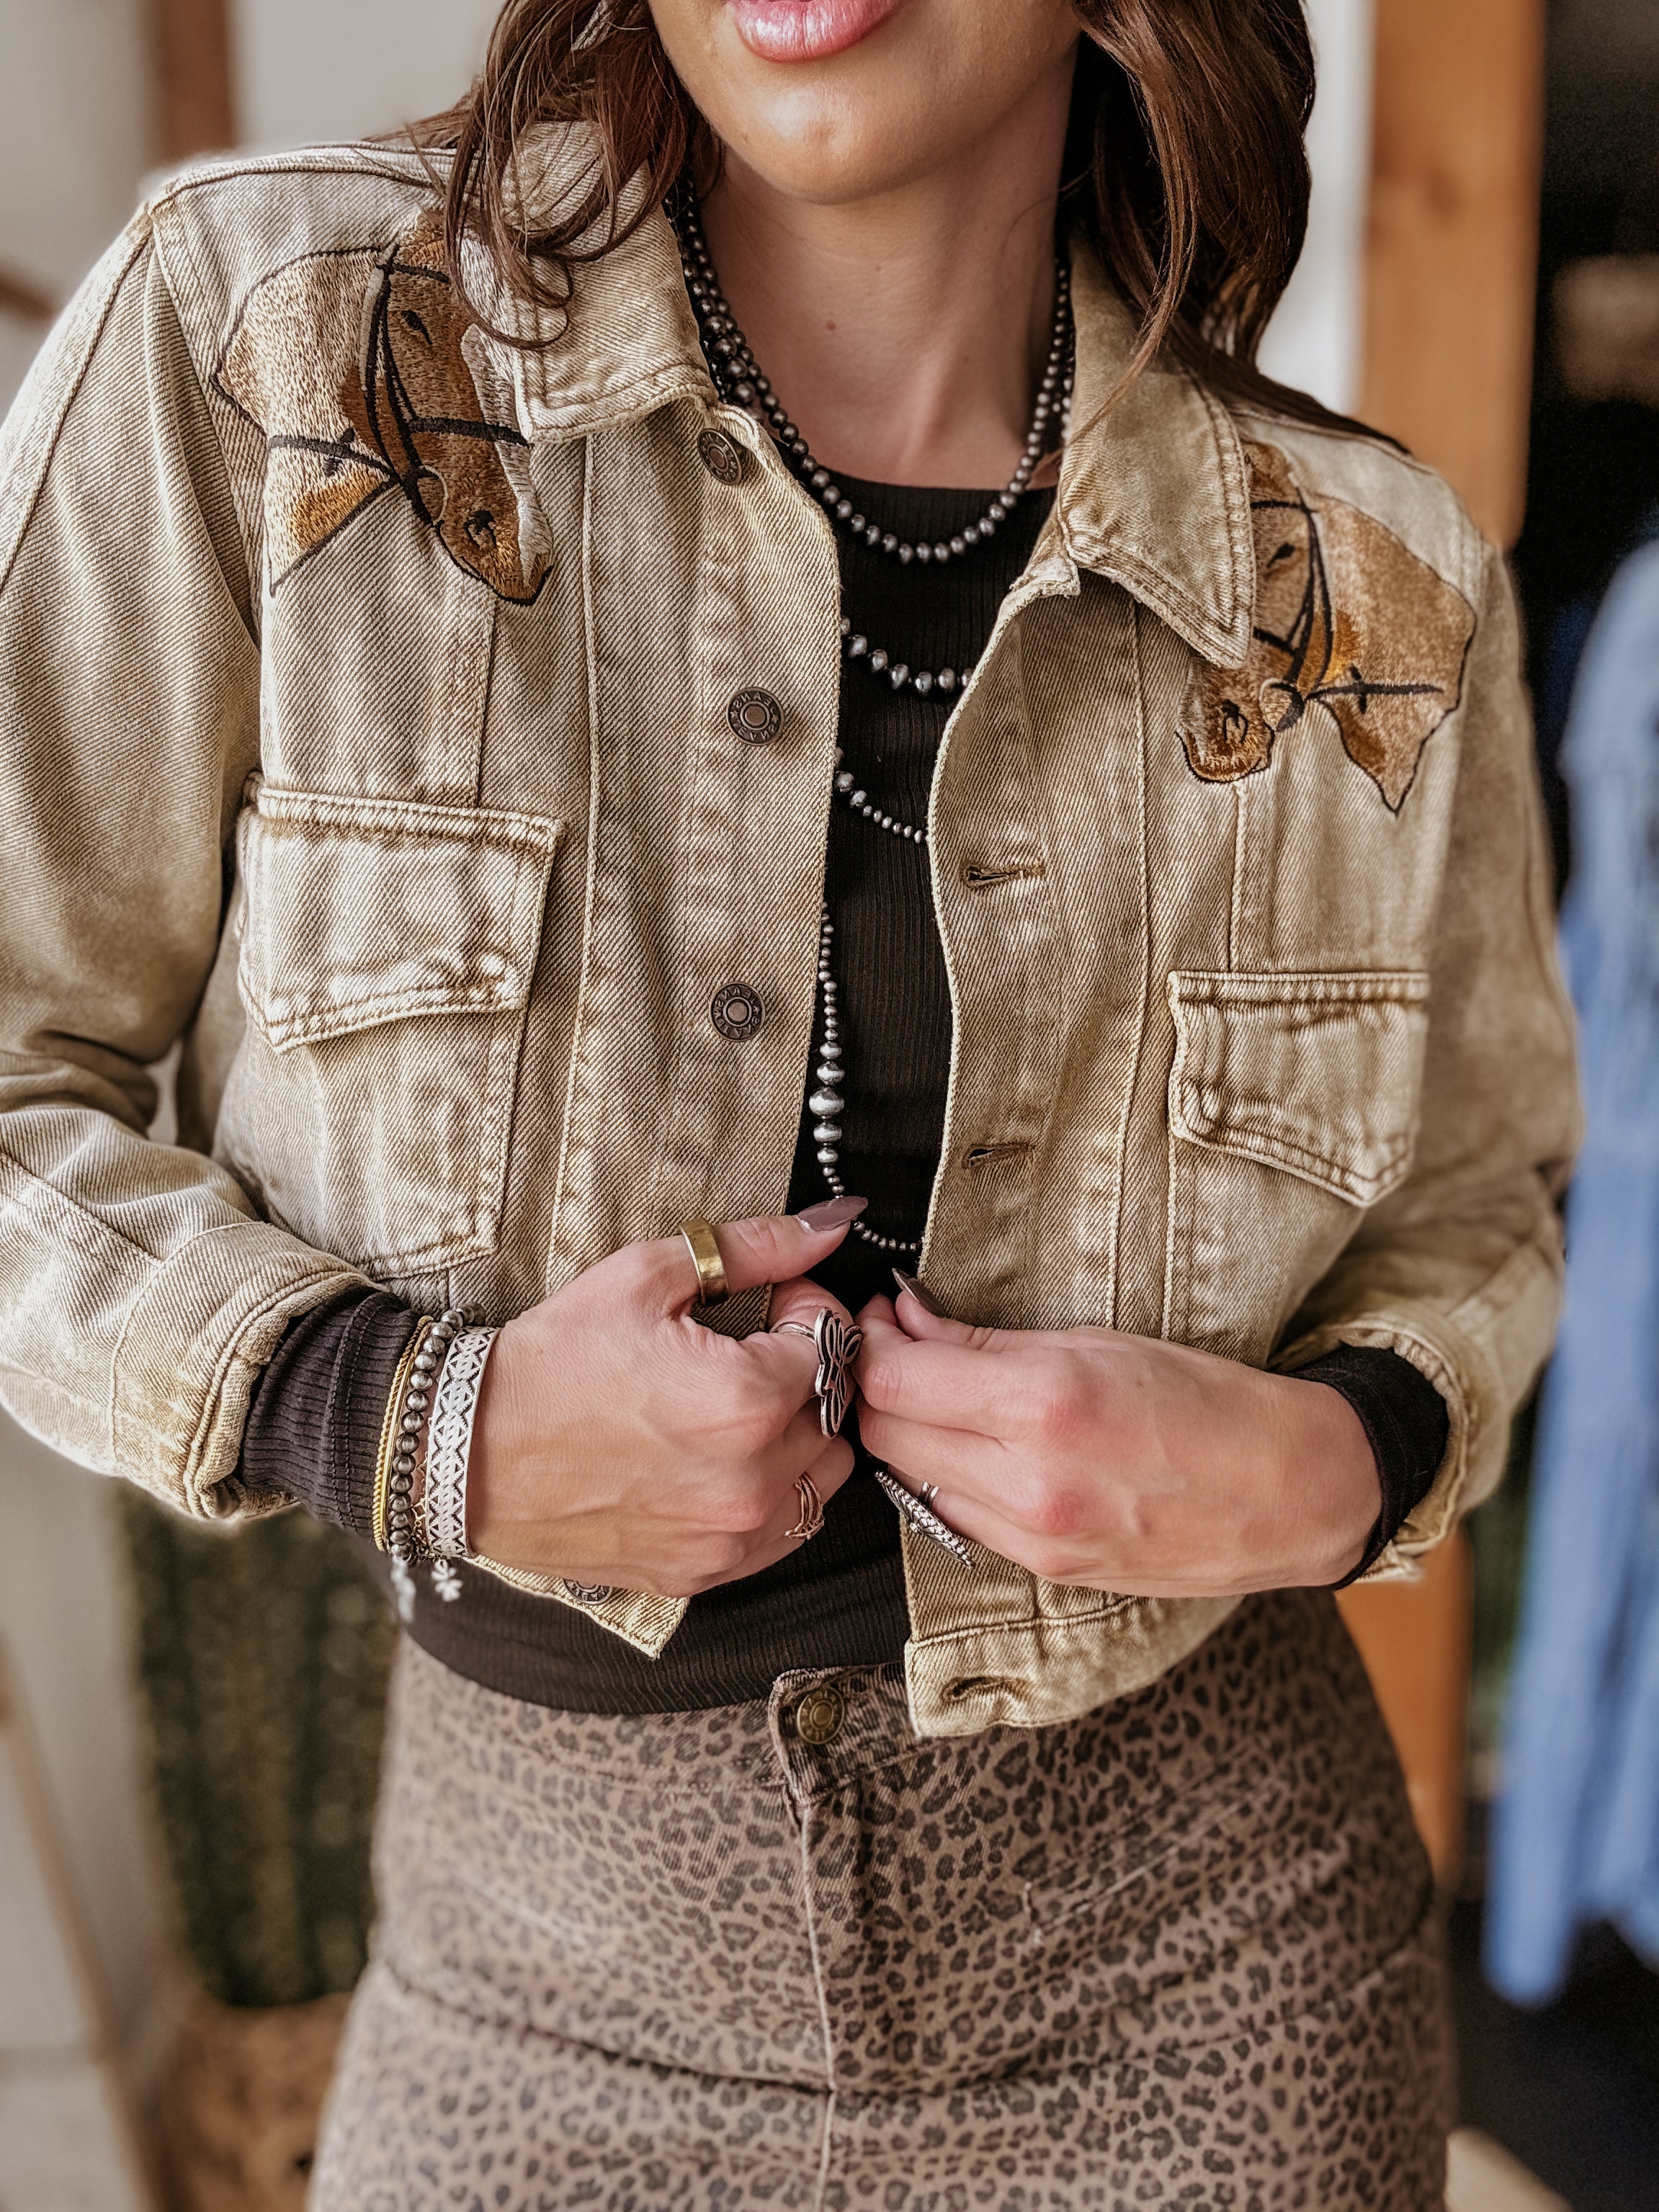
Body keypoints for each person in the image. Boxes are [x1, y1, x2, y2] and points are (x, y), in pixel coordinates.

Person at [0, 0, 1577, 2202]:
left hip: (1215, 1967)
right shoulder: (276, 357)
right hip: (529, 1986)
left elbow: (1480, 1209)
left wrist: (1335, 1463)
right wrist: (400, 1417)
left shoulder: (1372, 584)